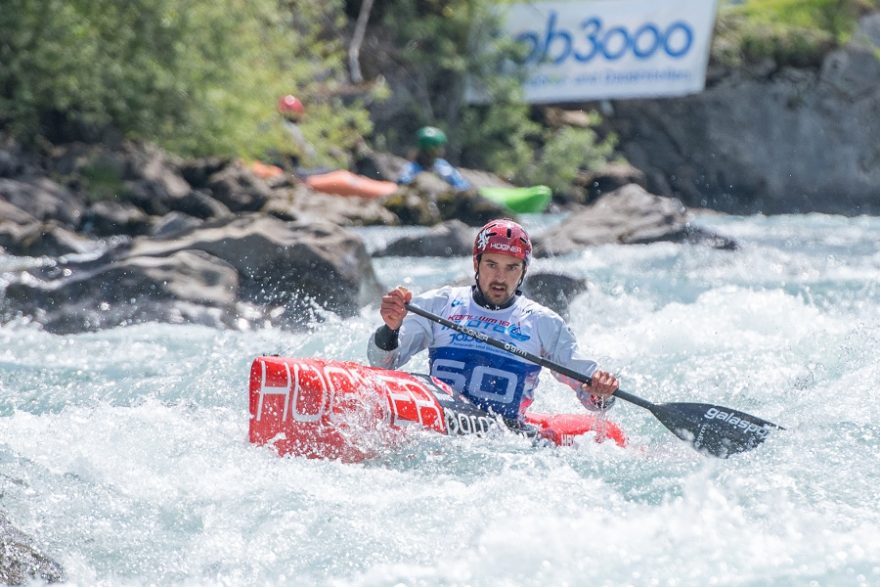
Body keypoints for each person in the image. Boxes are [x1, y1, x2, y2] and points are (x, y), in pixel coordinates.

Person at [367, 219, 618, 424]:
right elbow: (383, 363)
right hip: (440, 428)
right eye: (491, 264)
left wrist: (601, 390)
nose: (500, 277)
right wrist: (391, 328)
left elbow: (592, 399)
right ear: (476, 263)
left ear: (523, 271)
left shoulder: (544, 323)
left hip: (505, 442)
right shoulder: (438, 304)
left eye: (512, 268)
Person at [396, 126, 471, 191]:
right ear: (431, 150)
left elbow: (462, 184)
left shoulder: (442, 166)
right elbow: (402, 181)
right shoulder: (412, 168)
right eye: (439, 147)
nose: (442, 150)